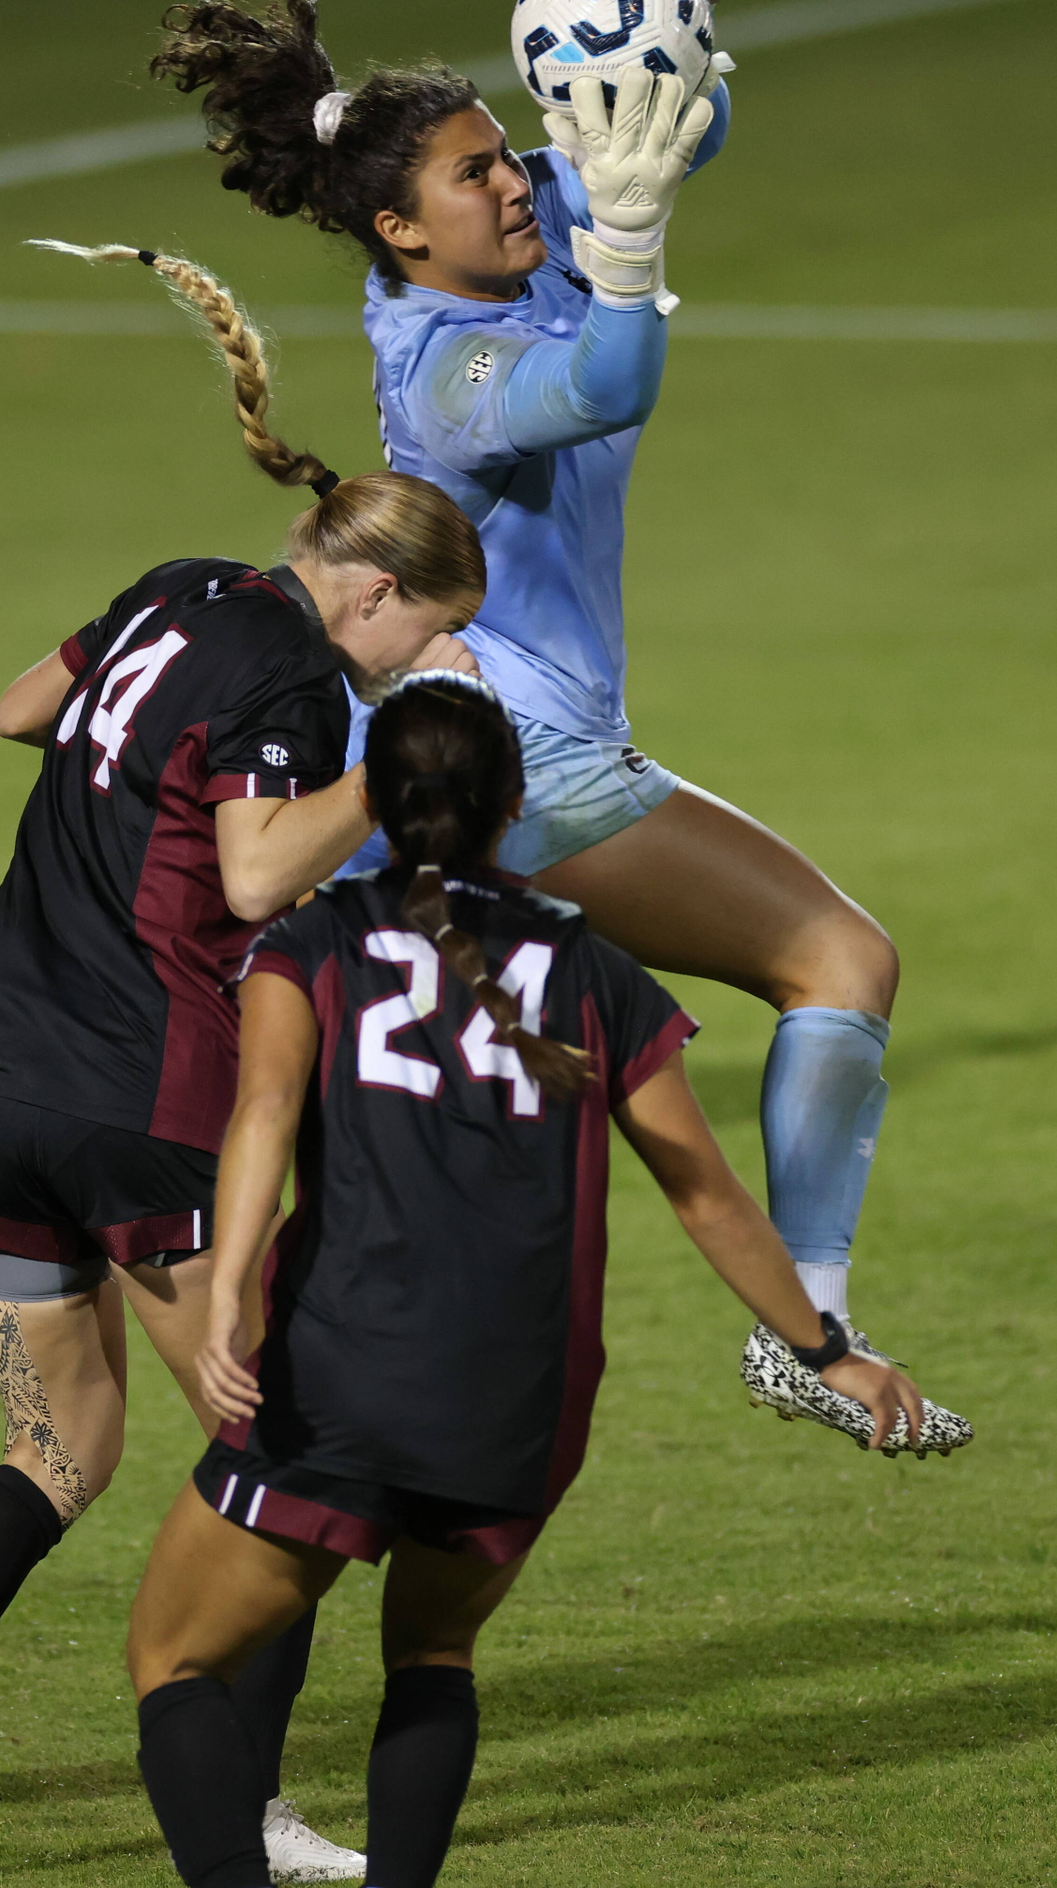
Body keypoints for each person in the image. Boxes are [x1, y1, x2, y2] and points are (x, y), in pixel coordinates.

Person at [0, 247, 483, 1888]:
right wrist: (404, 757)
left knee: (60, 1452)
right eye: (425, 637)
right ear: (369, 594)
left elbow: (25, 703)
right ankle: (243, 1810)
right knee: (297, 1452)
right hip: (146, 1111)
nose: (412, 662)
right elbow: (251, 877)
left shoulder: (177, 588)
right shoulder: (312, 684)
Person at [151, 0, 914, 1385]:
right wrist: (623, 239)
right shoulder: (445, 368)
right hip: (516, 758)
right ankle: (807, 1323)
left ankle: (274, 1302)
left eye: (512, 152)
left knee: (439, 1110)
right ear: (397, 230)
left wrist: (659, 55)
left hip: (487, 743)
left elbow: (683, 124)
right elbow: (610, 383)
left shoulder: (517, 221)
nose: (518, 183)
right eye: (476, 172)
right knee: (838, 958)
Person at [124, 673, 962, 1888]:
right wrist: (826, 1348)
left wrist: (233, 1286)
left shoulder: (309, 944)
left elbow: (260, 1114)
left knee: (175, 1659)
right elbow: (706, 1191)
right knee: (432, 1656)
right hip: (524, 1389)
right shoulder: (591, 966)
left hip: (347, 1363)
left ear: (373, 800)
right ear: (513, 804)